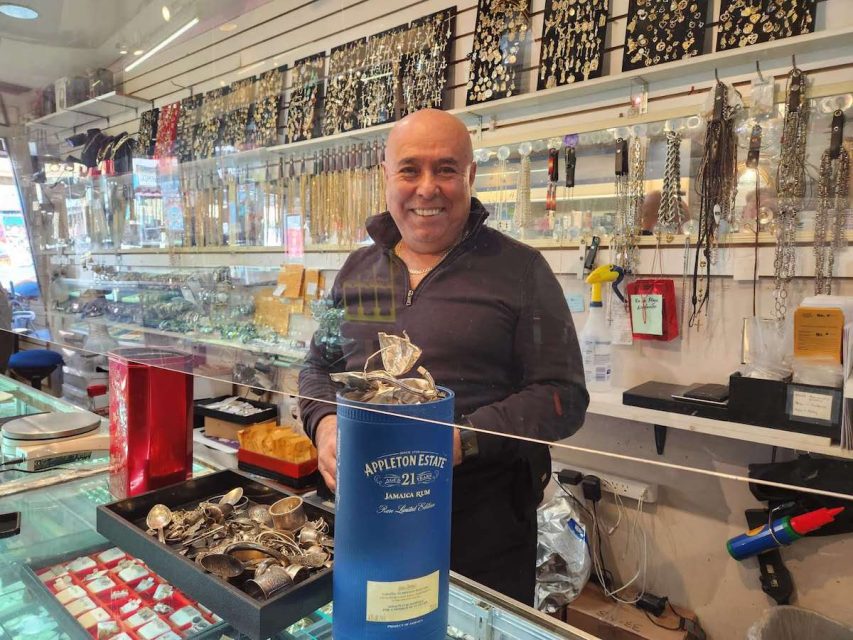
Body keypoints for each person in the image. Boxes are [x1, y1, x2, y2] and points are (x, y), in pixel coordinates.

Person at [298, 109, 589, 605]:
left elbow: (562, 397)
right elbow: (319, 368)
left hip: (483, 533)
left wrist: (462, 441)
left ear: (470, 177)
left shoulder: (520, 271)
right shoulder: (357, 270)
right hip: (368, 518)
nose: (427, 188)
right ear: (385, 177)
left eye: (447, 169)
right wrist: (325, 425)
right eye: (410, 169)